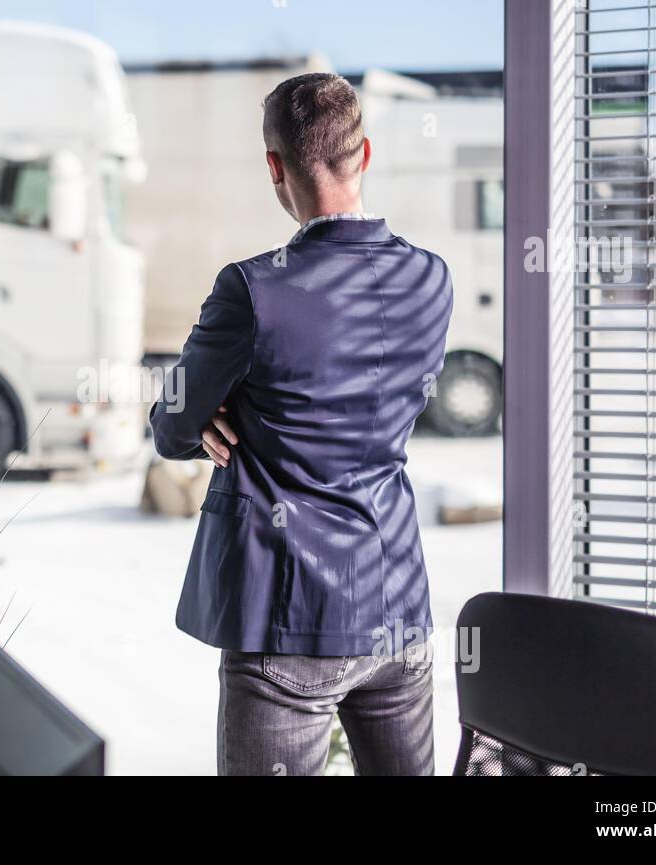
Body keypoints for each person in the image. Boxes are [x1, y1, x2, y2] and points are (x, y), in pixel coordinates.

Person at [149, 72, 454, 776]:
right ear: (365, 154)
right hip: (397, 608)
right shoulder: (431, 280)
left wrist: (213, 413)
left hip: (289, 620)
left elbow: (171, 425)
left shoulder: (252, 289)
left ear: (274, 167)